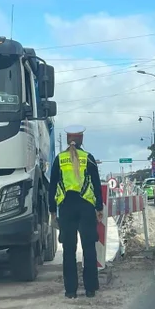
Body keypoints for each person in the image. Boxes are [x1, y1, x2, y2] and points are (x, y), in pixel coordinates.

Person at [48, 125, 104, 299]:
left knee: (69, 250)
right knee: (89, 248)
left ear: (67, 140)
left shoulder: (59, 159)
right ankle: (90, 288)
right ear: (81, 140)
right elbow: (96, 184)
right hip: (86, 208)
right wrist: (99, 208)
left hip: (66, 208)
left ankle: (70, 290)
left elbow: (52, 187)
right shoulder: (89, 158)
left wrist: (52, 211)